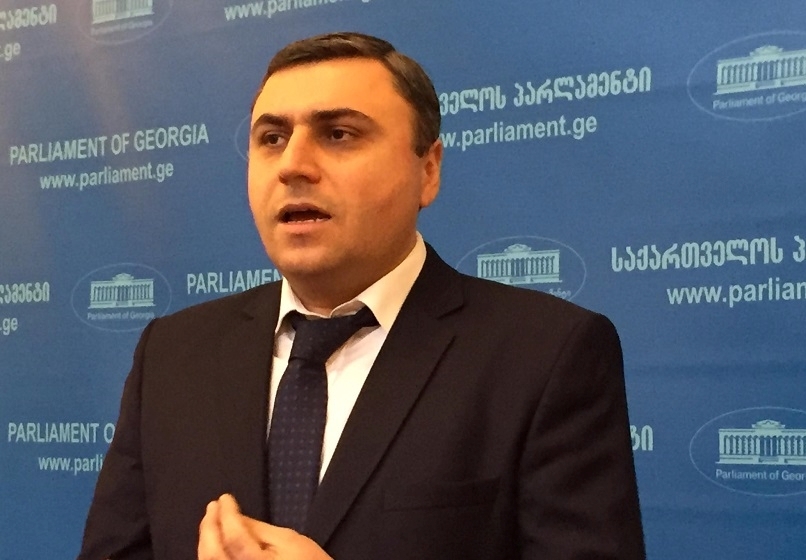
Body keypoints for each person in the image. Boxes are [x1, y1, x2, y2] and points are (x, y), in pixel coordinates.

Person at [78, 32, 645, 560]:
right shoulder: (173, 354)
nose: (293, 165)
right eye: (272, 139)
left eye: (338, 134)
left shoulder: (544, 355)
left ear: (428, 169)